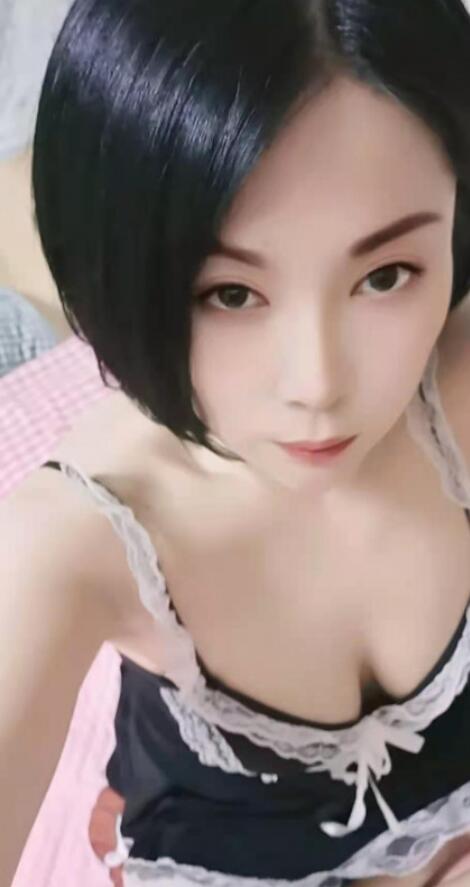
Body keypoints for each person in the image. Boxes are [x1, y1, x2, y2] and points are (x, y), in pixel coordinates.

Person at [4, 0, 470, 885]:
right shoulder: (79, 537)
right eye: (229, 293)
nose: (318, 385)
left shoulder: (454, 381)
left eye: (386, 274)